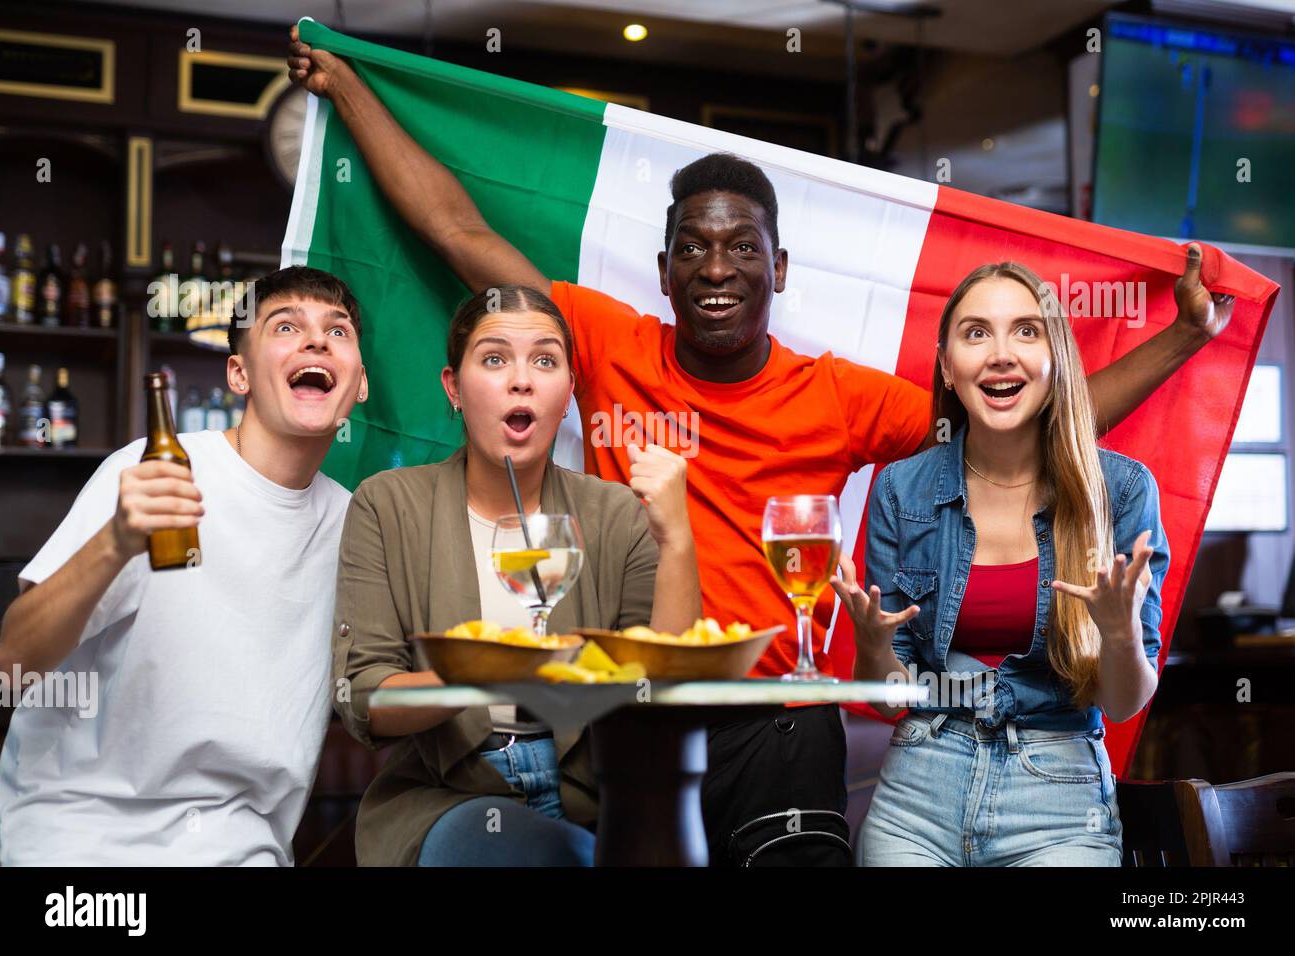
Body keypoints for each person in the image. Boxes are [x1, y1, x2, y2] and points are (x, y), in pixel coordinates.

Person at [287, 26, 1234, 864]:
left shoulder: (836, 394)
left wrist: (1186, 335)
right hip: (643, 721)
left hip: (780, 718)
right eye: (694, 247)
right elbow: (456, 229)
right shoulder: (605, 342)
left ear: (777, 268)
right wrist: (349, 87)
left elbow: (1029, 417)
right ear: (662, 270)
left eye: (743, 247)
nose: (717, 266)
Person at [0, 266, 367, 865]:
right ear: (238, 374)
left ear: (361, 383)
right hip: (82, 835)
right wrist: (116, 540)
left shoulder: (357, 527)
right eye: (286, 326)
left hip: (242, 847)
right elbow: (11, 666)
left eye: (337, 330)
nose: (317, 340)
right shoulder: (148, 474)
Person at [331, 285, 699, 866]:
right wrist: (494, 675)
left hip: (593, 799)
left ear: (569, 392)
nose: (521, 380)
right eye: (495, 358)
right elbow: (367, 698)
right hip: (448, 802)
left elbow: (661, 698)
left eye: (546, 361)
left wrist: (677, 540)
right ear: (454, 387)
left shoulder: (614, 512)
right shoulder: (387, 505)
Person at [833, 262, 1167, 865]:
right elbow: (888, 698)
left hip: (1059, 800)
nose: (1001, 354)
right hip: (919, 793)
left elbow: (1121, 703)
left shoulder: (1119, 490)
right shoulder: (900, 491)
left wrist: (1119, 634)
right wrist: (874, 645)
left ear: (1055, 356)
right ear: (947, 365)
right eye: (976, 333)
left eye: (1026, 331)